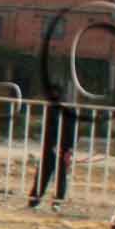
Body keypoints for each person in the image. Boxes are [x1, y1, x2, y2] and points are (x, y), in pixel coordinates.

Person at [28, 81, 81, 210]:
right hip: (51, 146)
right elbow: (49, 129)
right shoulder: (52, 107)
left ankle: (57, 201)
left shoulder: (67, 108)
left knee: (60, 174)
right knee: (44, 172)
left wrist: (69, 148)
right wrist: (52, 144)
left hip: (63, 147)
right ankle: (35, 199)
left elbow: (73, 130)